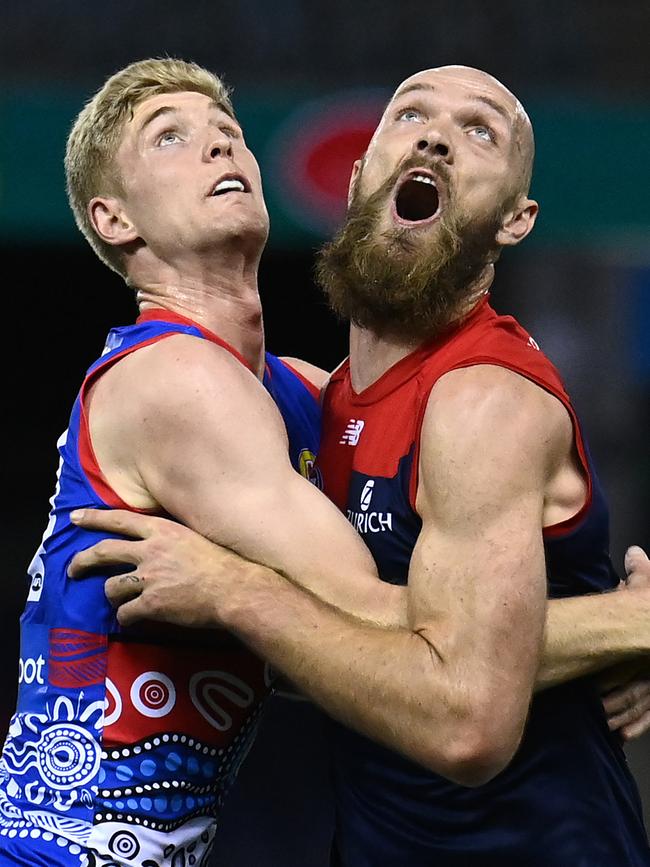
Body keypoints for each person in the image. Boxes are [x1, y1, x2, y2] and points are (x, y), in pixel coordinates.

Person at [66, 65, 650, 866]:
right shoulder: (308, 405)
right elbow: (336, 646)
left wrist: (235, 591)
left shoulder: (483, 399)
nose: (438, 135)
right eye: (410, 113)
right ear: (356, 179)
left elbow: (465, 712)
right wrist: (614, 630)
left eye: (481, 130)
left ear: (517, 220)